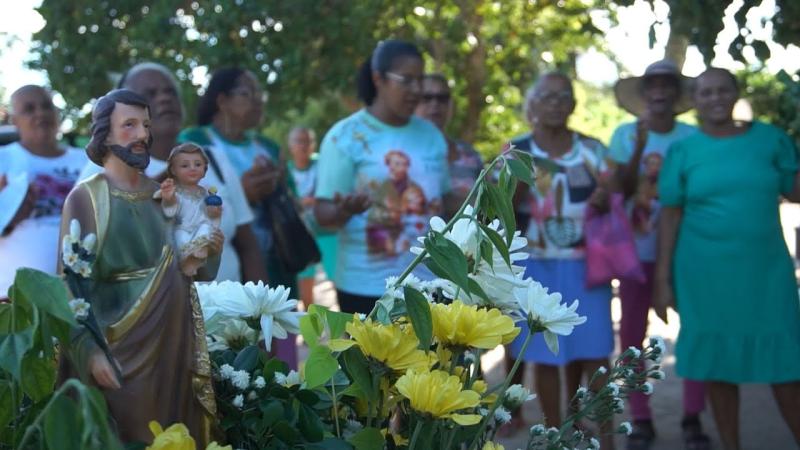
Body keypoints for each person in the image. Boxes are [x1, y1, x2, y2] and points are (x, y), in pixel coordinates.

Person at [58, 89, 222, 445]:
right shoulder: (86, 198)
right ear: (105, 133)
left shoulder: (165, 194)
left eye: (146, 125)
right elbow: (71, 285)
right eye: (129, 125)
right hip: (121, 353)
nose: (143, 135)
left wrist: (212, 240)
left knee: (176, 435)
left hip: (174, 347)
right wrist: (90, 352)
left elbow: (200, 272)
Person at [655, 67, 800, 450]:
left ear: (736, 94)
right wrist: (662, 279)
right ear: (695, 101)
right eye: (705, 92)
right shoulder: (684, 150)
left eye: (723, 90)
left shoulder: (771, 139)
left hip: (767, 273)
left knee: (787, 365)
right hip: (703, 275)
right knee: (718, 367)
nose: (715, 97)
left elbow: (795, 191)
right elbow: (670, 215)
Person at [78, 62, 266, 283]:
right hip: (153, 314)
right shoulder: (103, 168)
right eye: (149, 94)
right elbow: (89, 254)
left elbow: (249, 246)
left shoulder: (212, 159)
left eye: (170, 92)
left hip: (229, 313)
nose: (164, 98)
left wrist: (258, 309)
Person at [504, 72, 615, 449]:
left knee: (596, 353)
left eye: (562, 96)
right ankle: (557, 435)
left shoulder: (592, 149)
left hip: (589, 266)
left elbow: (617, 193)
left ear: (573, 104)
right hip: (536, 266)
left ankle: (610, 440)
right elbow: (499, 206)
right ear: (532, 105)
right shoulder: (516, 151)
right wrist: (517, 180)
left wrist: (606, 196)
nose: (554, 103)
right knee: (546, 356)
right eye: (546, 96)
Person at [609, 60, 708, 450]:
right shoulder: (624, 134)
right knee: (632, 334)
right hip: (634, 253)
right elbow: (619, 189)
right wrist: (637, 148)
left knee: (696, 329)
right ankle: (641, 418)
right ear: (644, 91)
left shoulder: (693, 136)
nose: (660, 91)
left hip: (687, 252)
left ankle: (692, 415)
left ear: (677, 94)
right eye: (653, 84)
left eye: (668, 84)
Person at [314, 39, 452, 314]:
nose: (416, 90)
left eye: (420, 80)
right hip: (365, 288)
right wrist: (344, 209)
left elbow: (446, 203)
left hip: (432, 285)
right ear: (378, 79)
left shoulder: (432, 136)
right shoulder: (344, 136)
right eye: (407, 80)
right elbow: (322, 214)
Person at [179, 67, 298, 367]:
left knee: (276, 364)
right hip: (225, 272)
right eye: (248, 93)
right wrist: (242, 191)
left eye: (261, 94)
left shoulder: (269, 147)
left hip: (274, 266)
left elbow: (293, 200)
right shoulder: (195, 140)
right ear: (222, 100)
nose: (258, 101)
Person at [0, 85, 87, 298]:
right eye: (29, 109)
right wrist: (8, 217)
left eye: (47, 106)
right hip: (14, 302)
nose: (40, 113)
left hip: (84, 300)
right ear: (14, 120)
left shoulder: (88, 160)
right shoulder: (3, 158)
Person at [287, 126, 338, 310]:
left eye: (307, 141)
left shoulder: (322, 164)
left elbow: (335, 189)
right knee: (305, 282)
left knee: (338, 279)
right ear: (290, 145)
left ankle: (350, 328)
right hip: (301, 234)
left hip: (328, 231)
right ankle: (312, 331)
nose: (303, 146)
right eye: (299, 141)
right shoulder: (286, 171)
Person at [414, 73, 483, 207]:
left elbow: (486, 205)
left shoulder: (469, 154)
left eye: (442, 98)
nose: (435, 104)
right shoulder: (401, 154)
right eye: (426, 98)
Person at [157, 144, 223, 276]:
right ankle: (188, 260)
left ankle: (199, 251)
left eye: (197, 165)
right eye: (185, 166)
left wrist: (214, 213)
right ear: (173, 170)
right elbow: (169, 211)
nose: (192, 169)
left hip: (199, 230)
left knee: (207, 228)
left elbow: (211, 218)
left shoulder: (205, 194)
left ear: (204, 169)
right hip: (181, 228)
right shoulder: (174, 192)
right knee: (180, 236)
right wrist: (168, 199)